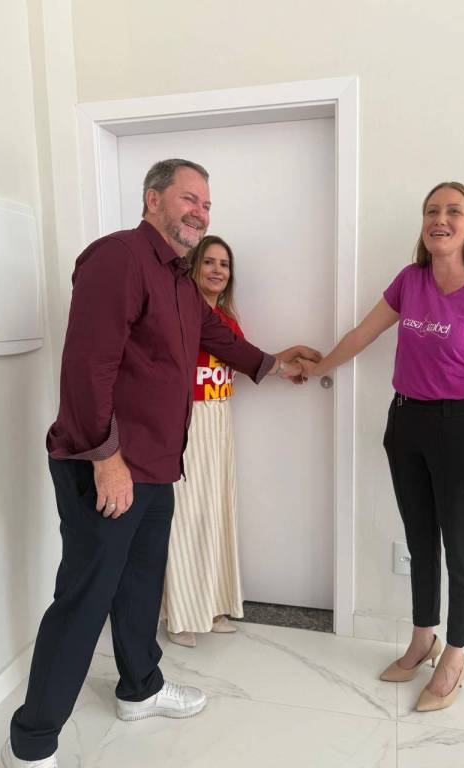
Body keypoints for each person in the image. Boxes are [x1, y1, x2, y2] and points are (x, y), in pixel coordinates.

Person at [3, 159, 318, 768]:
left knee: (141, 585)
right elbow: (87, 367)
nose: (200, 212)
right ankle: (32, 743)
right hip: (107, 464)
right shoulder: (117, 258)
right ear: (153, 199)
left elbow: (216, 338)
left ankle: (140, 689)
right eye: (189, 198)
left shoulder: (178, 279)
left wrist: (275, 364)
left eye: (207, 204)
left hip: (154, 466)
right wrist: (106, 458)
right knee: (85, 598)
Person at [299, 182, 464, 712]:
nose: (439, 219)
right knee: (421, 539)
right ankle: (424, 639)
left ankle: (457, 653)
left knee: (463, 548)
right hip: (406, 423)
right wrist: (320, 366)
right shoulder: (410, 279)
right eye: (431, 211)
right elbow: (363, 334)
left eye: (453, 211)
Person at [162, 235, 318, 646]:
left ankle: (212, 605)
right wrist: (286, 365)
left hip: (219, 418)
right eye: (209, 262)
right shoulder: (182, 312)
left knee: (216, 511)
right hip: (189, 420)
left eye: (224, 264)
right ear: (193, 267)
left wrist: (290, 355)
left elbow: (241, 361)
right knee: (188, 516)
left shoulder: (227, 320)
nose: (217, 270)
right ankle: (181, 614)